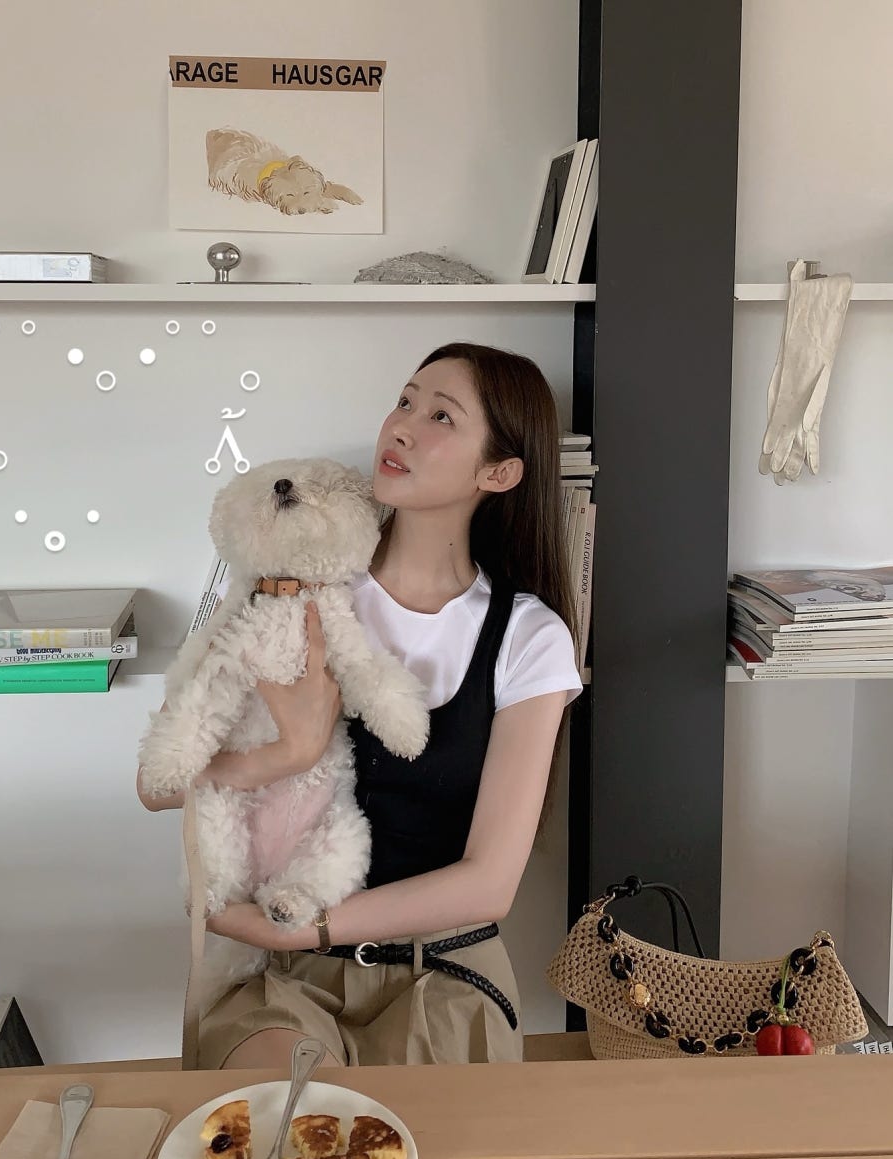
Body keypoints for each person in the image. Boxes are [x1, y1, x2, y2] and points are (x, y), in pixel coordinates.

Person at [137, 342, 583, 1069]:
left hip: (442, 972)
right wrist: (289, 754)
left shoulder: (527, 636)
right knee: (281, 1122)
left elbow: (489, 883)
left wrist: (309, 927)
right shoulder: (290, 586)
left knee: (416, 1136)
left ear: (498, 472)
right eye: (404, 401)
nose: (401, 426)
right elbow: (154, 787)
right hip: (283, 977)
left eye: (441, 416)